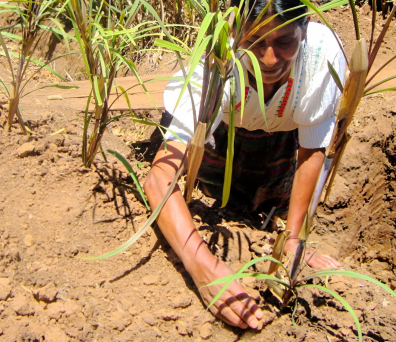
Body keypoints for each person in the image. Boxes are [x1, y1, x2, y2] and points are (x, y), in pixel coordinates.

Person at [143, 0, 345, 330]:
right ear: (236, 31)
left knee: (262, 211)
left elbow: (310, 154)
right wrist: (204, 267)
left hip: (278, 138)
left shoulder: (322, 57)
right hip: (218, 133)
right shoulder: (213, 65)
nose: (269, 59)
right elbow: (159, 179)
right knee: (215, 196)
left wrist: (293, 242)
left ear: (304, 28)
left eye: (285, 42)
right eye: (256, 41)